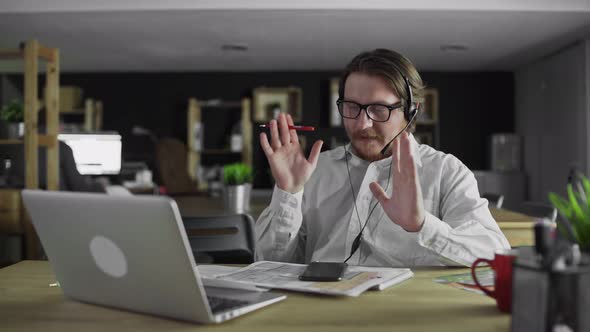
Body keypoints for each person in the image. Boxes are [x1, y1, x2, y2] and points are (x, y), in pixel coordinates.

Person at [255, 49, 510, 267]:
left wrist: (422, 225)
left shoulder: (446, 171)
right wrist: (289, 193)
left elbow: (494, 253)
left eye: (379, 109)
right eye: (351, 107)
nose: (363, 123)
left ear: (411, 111)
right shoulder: (314, 170)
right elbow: (268, 264)